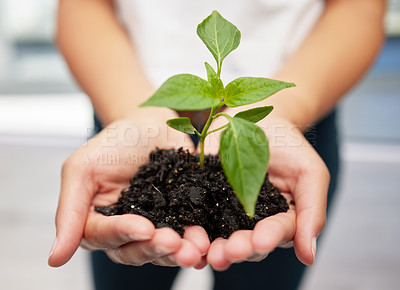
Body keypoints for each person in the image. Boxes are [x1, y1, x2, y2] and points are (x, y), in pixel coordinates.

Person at [48, 0, 386, 289]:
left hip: (294, 122)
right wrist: (133, 113)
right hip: (124, 112)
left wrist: (287, 109)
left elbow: (359, 7)